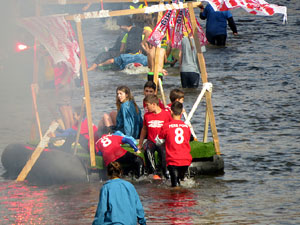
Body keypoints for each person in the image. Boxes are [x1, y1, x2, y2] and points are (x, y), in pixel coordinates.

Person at [156, 101, 192, 187]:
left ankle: (176, 199)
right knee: (182, 182)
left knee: (175, 186)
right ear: (181, 112)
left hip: (173, 160)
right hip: (186, 160)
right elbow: (188, 139)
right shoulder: (186, 127)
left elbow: (158, 141)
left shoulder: (166, 126)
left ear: (171, 111)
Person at [138, 95, 172, 179]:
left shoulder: (167, 114)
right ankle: (154, 172)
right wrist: (140, 144)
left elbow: (172, 128)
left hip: (162, 141)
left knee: (164, 153)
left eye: (147, 105)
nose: (146, 107)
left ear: (153, 104)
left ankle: (165, 172)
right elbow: (144, 129)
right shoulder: (147, 115)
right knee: (148, 150)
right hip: (151, 140)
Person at [53, 61, 75, 129]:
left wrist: (59, 86)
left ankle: (68, 131)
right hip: (70, 83)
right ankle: (73, 130)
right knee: (68, 107)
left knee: (63, 108)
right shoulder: (65, 58)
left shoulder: (55, 60)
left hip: (63, 84)